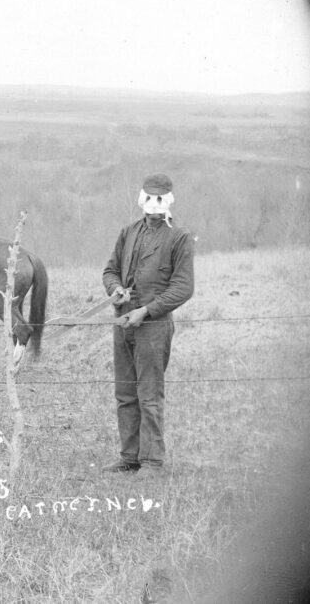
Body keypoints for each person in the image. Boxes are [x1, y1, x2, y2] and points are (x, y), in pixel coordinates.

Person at [101, 173, 194, 476]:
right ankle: (129, 457)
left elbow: (183, 288)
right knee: (125, 393)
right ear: (141, 198)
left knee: (149, 394)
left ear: (168, 200)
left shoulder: (179, 238)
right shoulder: (127, 232)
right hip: (123, 322)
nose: (153, 204)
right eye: (149, 197)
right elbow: (110, 270)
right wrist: (114, 288)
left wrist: (147, 310)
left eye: (159, 198)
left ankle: (152, 461)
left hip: (153, 328)